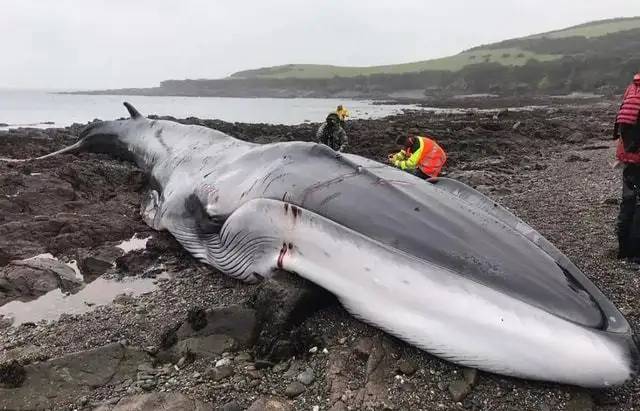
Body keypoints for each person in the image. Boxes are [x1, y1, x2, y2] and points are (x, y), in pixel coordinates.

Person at [614, 73, 640, 260]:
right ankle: (635, 255)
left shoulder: (632, 88)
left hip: (627, 153)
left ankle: (622, 250)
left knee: (628, 200)